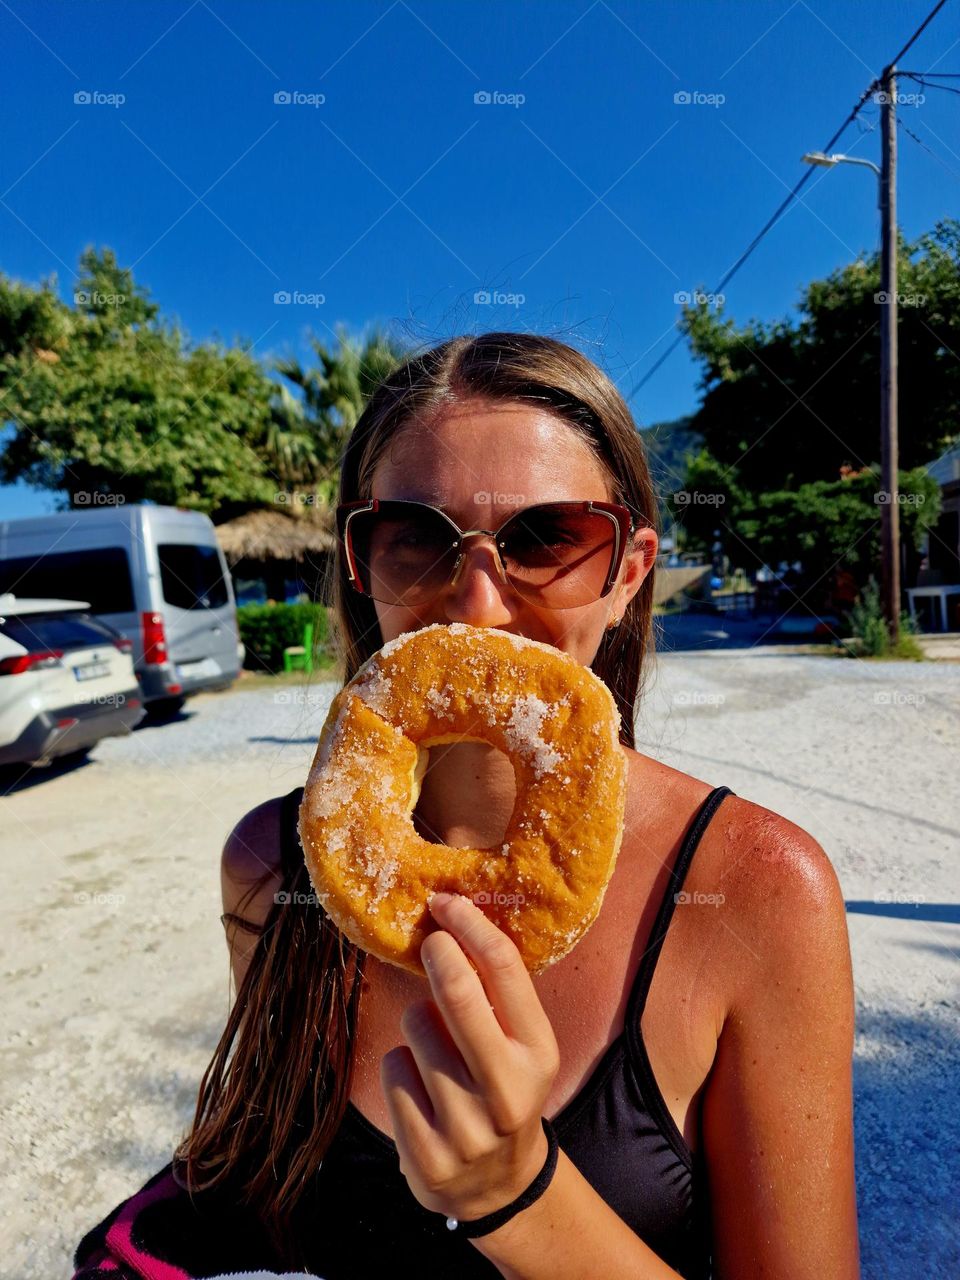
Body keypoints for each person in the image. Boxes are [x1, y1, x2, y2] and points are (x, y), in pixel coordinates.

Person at [72, 333, 860, 1279]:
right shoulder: (277, 869)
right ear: (362, 563)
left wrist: (516, 1193)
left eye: (547, 537)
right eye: (414, 537)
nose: (478, 606)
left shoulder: (762, 890)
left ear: (630, 572)